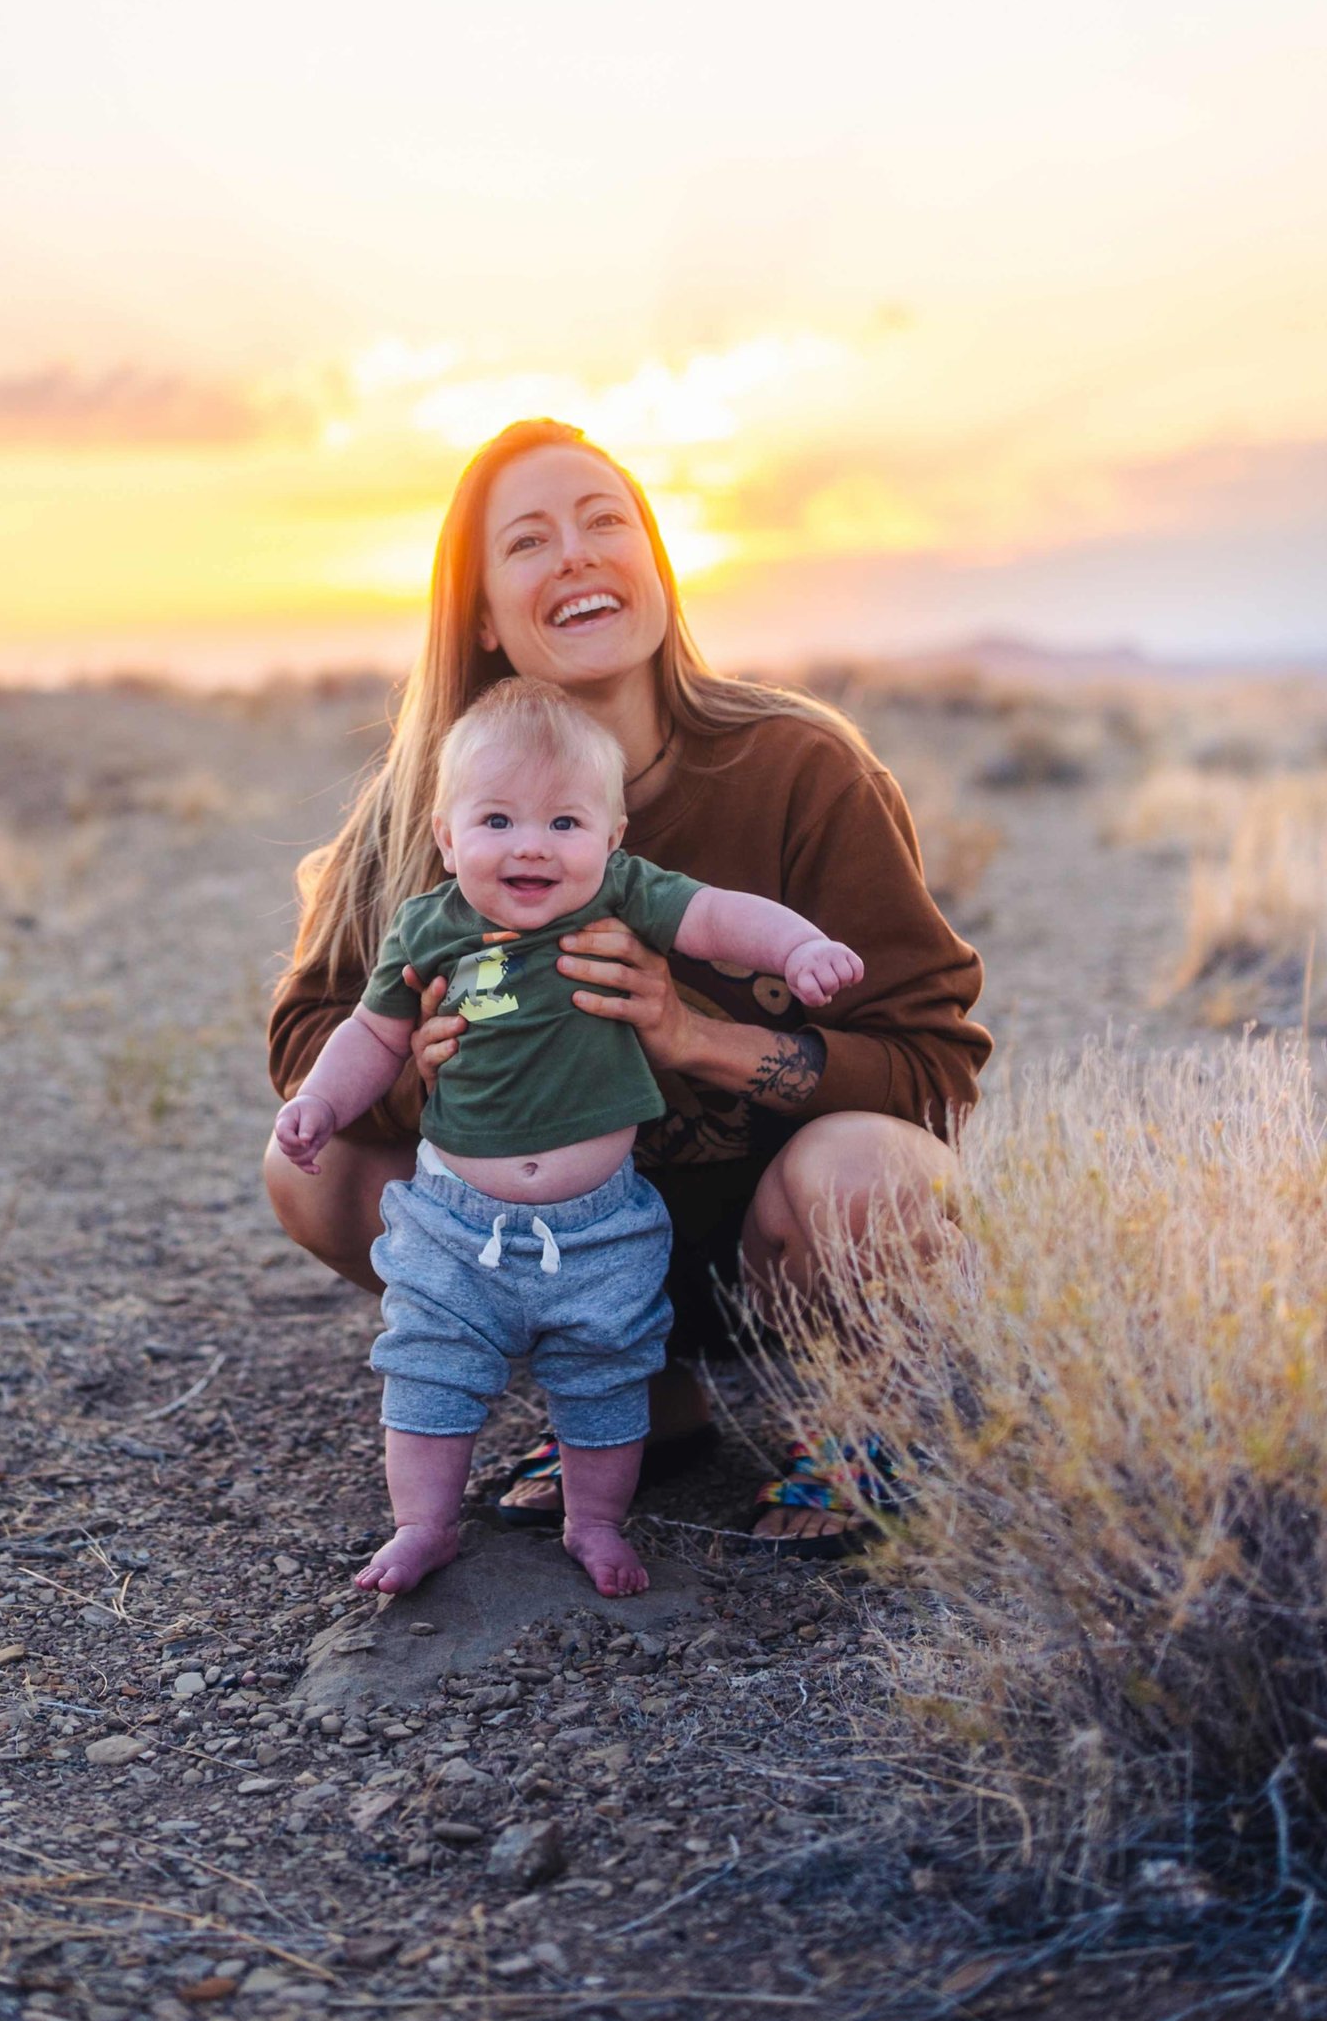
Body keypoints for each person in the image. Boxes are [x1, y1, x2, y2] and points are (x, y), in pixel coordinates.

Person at [265, 419, 990, 1545]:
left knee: (878, 1169)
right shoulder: (435, 807)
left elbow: (933, 1071)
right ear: (482, 616)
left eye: (607, 522)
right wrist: (419, 1059)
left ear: (655, 564)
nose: (577, 556)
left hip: (767, 1242)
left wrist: (696, 1036)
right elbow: (310, 1025)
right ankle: (638, 1410)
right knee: (308, 1168)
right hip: (548, 1239)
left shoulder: (801, 771)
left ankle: (859, 1415)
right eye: (529, 542)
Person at [274, 676, 865, 1599]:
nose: (531, 848)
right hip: (453, 1223)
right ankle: (422, 1526)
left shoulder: (621, 899)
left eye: (564, 825)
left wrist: (794, 949)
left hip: (602, 1224)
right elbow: (370, 1032)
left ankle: (595, 1524)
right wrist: (320, 1102)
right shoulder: (428, 928)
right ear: (447, 837)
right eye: (498, 821)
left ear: (612, 840)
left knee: (604, 1381)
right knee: (428, 1371)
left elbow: (718, 917)